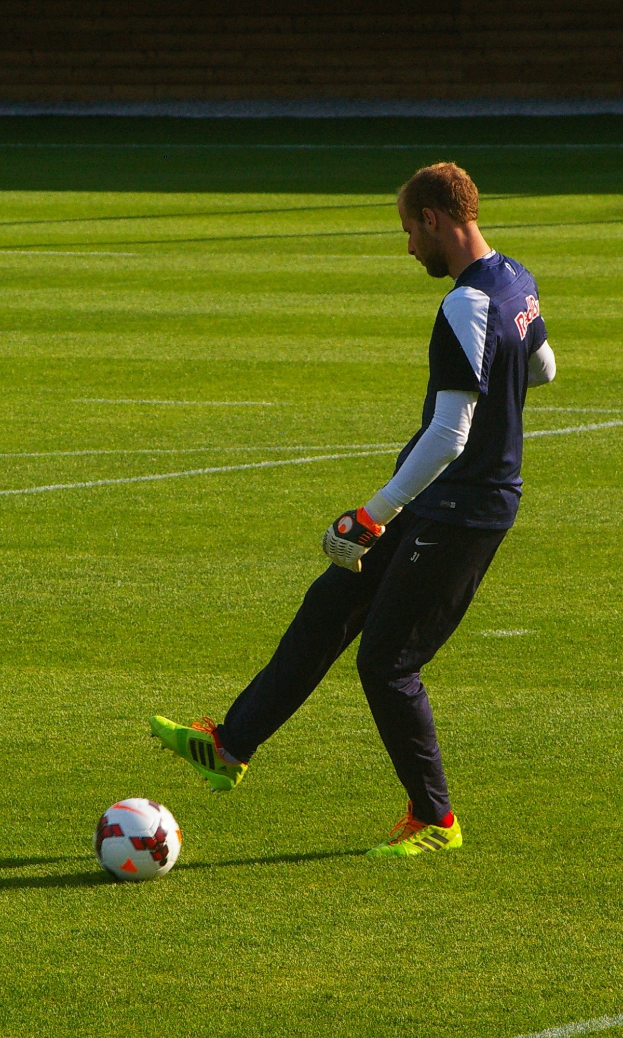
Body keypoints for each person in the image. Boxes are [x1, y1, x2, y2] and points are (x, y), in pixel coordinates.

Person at [150, 162, 556, 858]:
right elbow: (544, 364)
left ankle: (435, 819)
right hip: (444, 497)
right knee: (330, 602)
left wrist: (371, 514)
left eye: (406, 231)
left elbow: (451, 433)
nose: (407, 248)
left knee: (387, 664)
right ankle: (229, 744)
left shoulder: (464, 303)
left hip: (465, 507)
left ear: (431, 219)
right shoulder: (514, 277)